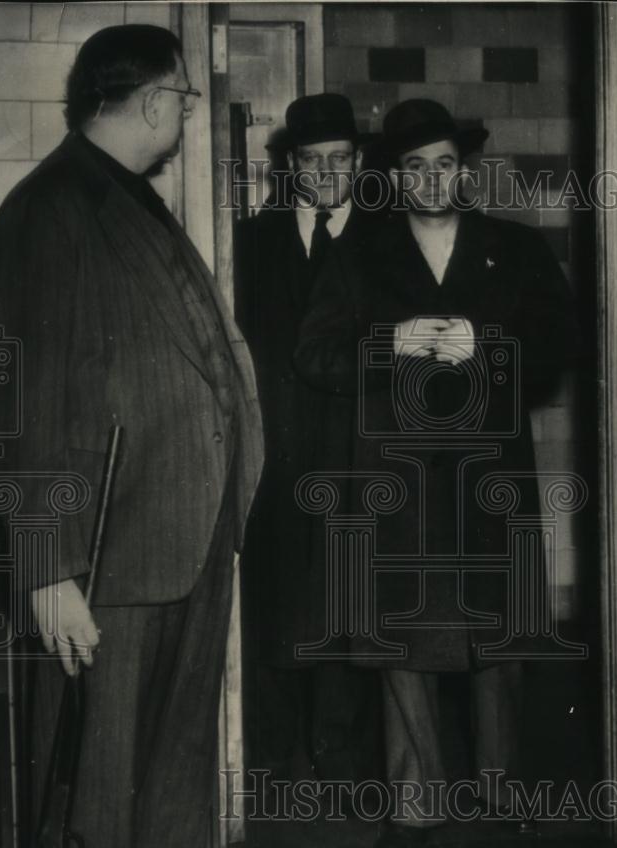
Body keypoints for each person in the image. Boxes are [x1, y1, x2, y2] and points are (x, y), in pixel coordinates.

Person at [0, 24, 263, 848]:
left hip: (177, 544)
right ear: (150, 101)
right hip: (108, 564)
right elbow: (9, 401)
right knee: (97, 799)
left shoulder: (127, 196)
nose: (182, 112)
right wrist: (43, 569)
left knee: (166, 788)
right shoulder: (50, 209)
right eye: (181, 96)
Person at [295, 99, 578, 848]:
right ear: (395, 175)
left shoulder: (514, 251)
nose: (429, 179)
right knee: (401, 645)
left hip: (490, 480)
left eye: (444, 163)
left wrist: (489, 343)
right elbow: (315, 358)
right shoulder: (358, 257)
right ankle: (414, 808)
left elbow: (556, 351)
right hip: (398, 485)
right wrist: (389, 342)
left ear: (466, 168)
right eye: (414, 167)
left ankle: (503, 793)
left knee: (500, 639)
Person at [235, 94, 382, 790]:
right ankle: (275, 760)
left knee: (349, 603)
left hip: (356, 453)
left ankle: (342, 759)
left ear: (358, 165)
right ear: (291, 167)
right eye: (312, 160)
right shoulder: (249, 242)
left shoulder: (388, 243)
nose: (326, 172)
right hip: (274, 452)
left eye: (340, 159)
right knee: (276, 601)